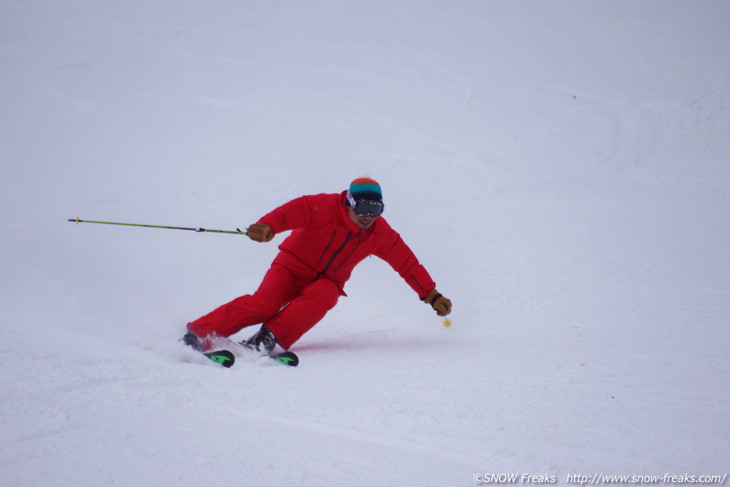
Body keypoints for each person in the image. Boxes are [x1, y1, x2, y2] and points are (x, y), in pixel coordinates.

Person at [183, 177, 452, 353]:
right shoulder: (323, 207)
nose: (368, 217)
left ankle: (268, 339)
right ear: (349, 203)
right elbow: (291, 212)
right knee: (264, 304)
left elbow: (407, 262)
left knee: (326, 294)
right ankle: (200, 332)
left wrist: (431, 294)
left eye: (376, 210)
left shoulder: (379, 233)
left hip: (327, 281)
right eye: (363, 209)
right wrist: (267, 225)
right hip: (291, 267)